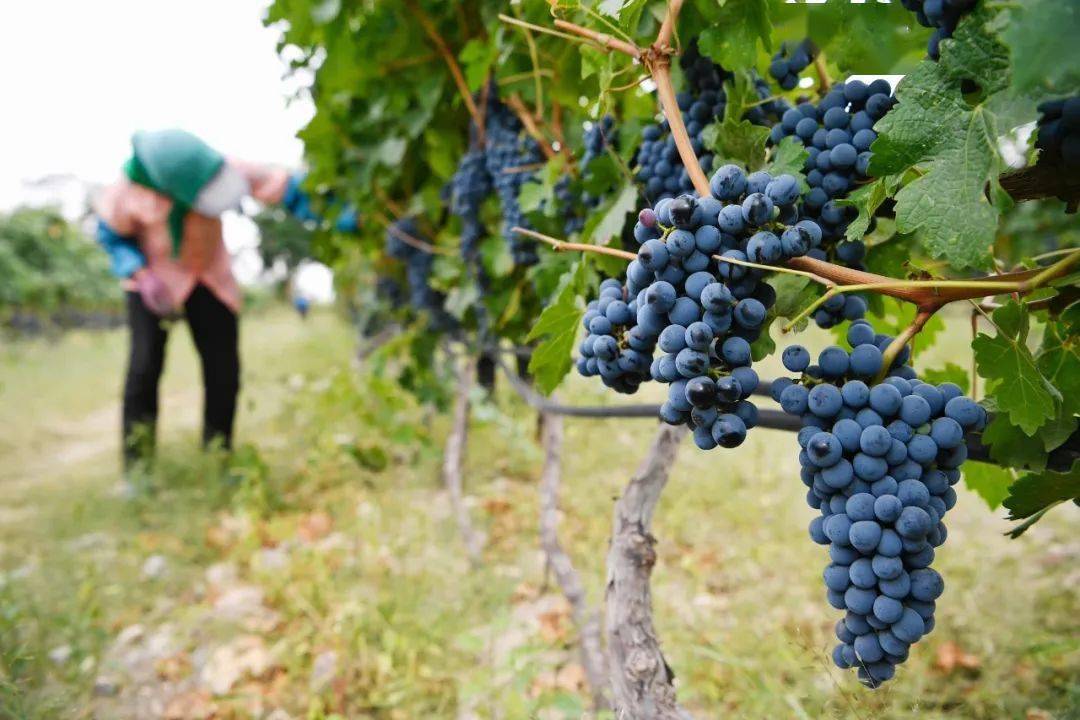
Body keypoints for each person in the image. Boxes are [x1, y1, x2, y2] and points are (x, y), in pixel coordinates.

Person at [95, 129, 354, 468]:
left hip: (210, 278)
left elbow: (286, 187)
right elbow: (112, 237)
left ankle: (218, 454)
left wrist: (342, 213)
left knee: (223, 370)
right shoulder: (124, 195)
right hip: (154, 281)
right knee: (144, 368)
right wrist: (139, 272)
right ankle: (137, 465)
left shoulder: (223, 171)